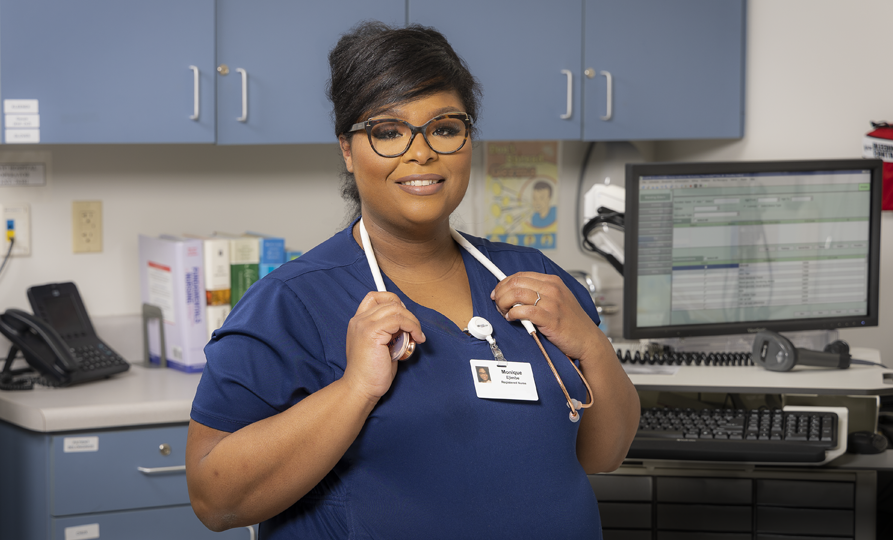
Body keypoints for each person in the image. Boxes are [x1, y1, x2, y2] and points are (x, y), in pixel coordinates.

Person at [185, 21, 640, 539]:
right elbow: (213, 500)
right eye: (388, 131)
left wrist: (591, 344)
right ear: (347, 150)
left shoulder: (533, 277)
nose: (421, 152)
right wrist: (356, 389)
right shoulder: (291, 302)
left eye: (445, 128)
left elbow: (604, 454)